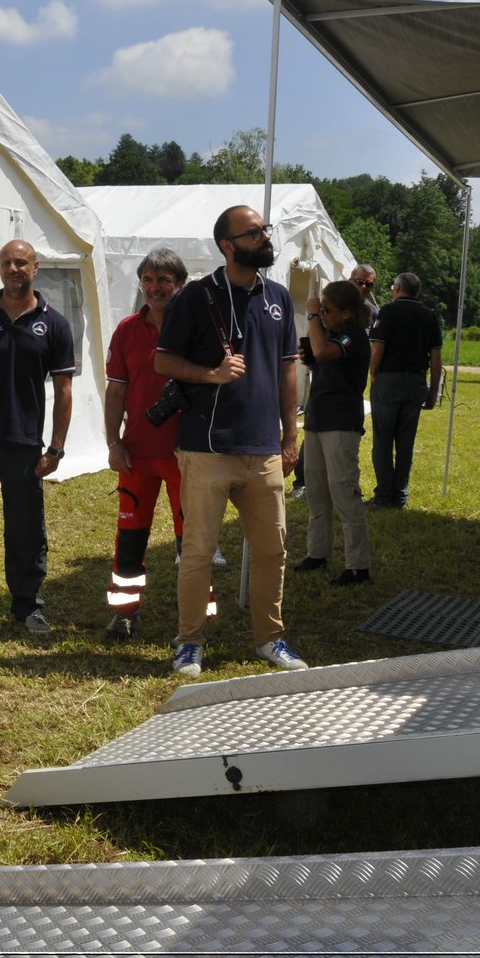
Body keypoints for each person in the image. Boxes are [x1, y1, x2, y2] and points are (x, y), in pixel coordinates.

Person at [155, 205, 307, 680]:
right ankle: (190, 642)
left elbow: (287, 368)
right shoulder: (195, 297)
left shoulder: (278, 297)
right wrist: (211, 375)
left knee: (271, 549)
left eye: (265, 229)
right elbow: (163, 361)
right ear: (227, 244)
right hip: (206, 447)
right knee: (199, 551)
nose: (265, 237)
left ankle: (270, 638)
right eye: (254, 232)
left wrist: (289, 431)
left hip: (263, 448)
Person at [0, 240, 75, 634]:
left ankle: (27, 605)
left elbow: (63, 393)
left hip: (24, 443)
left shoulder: (54, 323)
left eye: (20, 262)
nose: (13, 268)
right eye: (6, 262)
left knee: (25, 529)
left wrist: (56, 447)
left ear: (35, 267)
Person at [103, 248, 188, 640]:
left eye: (164, 280)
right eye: (149, 280)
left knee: (193, 541)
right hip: (136, 454)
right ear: (141, 283)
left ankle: (196, 620)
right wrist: (113, 442)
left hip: (186, 454)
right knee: (130, 539)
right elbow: (116, 391)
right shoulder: (126, 330)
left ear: (179, 284)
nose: (156, 288)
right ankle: (124, 613)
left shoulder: (194, 327)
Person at [292, 279, 372, 585]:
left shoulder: (353, 337)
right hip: (317, 419)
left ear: (348, 314)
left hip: (341, 422)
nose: (322, 314)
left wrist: (313, 319)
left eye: (327, 310)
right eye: (321, 309)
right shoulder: (335, 333)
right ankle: (317, 552)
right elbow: (319, 356)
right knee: (316, 491)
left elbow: (325, 352)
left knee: (343, 492)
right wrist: (309, 354)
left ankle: (358, 565)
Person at [369, 271, 442, 508]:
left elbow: (377, 349)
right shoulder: (430, 315)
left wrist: (373, 374)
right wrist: (433, 392)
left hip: (389, 381)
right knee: (405, 442)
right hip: (416, 383)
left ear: (398, 290)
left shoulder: (388, 312)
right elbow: (436, 359)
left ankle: (383, 496)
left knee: (382, 440)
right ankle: (400, 495)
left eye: (393, 288)